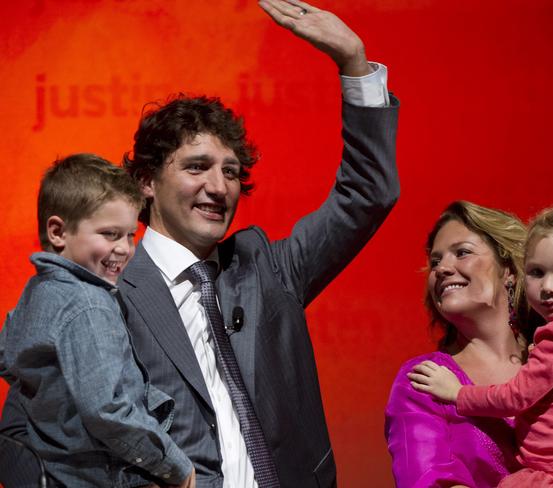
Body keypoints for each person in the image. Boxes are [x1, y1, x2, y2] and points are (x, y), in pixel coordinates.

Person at [1, 1, 399, 487]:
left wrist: (354, 64)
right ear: (146, 181)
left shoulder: (268, 268)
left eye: (231, 171)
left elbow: (367, 193)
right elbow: (24, 429)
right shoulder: (101, 289)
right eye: (197, 167)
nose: (219, 186)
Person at [384, 201, 553, 488]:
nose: (442, 269)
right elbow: (428, 480)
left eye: (462, 253)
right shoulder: (424, 379)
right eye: (435, 262)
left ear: (509, 270)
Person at [0, 154, 195, 487]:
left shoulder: (38, 289)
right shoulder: (90, 304)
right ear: (58, 232)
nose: (124, 249)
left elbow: (9, 360)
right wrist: (174, 466)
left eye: (130, 235)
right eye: (110, 234)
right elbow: (106, 409)